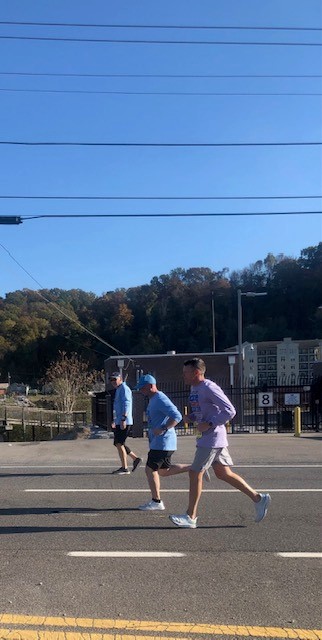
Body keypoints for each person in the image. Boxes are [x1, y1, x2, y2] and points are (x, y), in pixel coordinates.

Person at [169, 358, 271, 528]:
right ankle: (259, 499)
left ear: (196, 372)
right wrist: (192, 417)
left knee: (195, 473)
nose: (183, 376)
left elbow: (230, 410)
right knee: (223, 473)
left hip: (212, 438)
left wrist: (209, 424)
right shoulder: (195, 388)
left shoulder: (209, 387)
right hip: (209, 437)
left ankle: (190, 516)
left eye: (186, 372)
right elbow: (204, 411)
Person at [134, 374, 191, 511]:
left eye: (142, 388)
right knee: (163, 471)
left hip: (163, 442)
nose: (141, 391)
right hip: (160, 443)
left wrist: (163, 428)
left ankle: (156, 501)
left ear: (150, 386)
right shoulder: (153, 399)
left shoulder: (160, 398)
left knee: (150, 470)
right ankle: (195, 467)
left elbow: (177, 416)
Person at [109, 372, 142, 475]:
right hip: (119, 421)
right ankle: (135, 459)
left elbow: (127, 404)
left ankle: (125, 468)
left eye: (115, 379)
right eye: (111, 380)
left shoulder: (124, 389)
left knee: (119, 443)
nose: (113, 381)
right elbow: (117, 407)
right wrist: (115, 420)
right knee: (118, 443)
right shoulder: (118, 389)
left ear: (120, 379)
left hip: (124, 421)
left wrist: (123, 418)